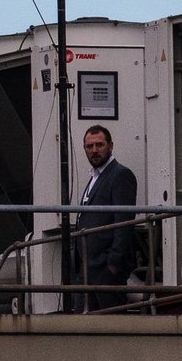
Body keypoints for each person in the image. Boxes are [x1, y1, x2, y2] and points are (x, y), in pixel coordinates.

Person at [73, 126, 138, 313]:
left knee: (112, 322)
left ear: (110, 146)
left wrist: (113, 263)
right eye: (89, 146)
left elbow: (124, 222)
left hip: (105, 268)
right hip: (87, 267)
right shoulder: (94, 176)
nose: (94, 150)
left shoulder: (120, 174)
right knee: (83, 324)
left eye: (99, 145)